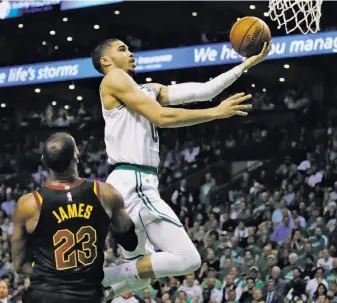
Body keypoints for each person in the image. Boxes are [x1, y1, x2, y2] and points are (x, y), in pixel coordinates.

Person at [91, 38, 271, 298]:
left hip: (133, 182)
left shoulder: (147, 90)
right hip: (134, 182)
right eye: (122, 49)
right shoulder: (114, 78)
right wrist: (216, 113)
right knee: (188, 259)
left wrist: (246, 64)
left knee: (140, 277)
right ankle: (103, 278)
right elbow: (162, 117)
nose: (130, 53)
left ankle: (100, 292)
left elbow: (206, 90)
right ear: (105, 61)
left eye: (129, 48)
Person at [11, 133, 137, 303]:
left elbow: (19, 265)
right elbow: (130, 241)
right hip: (88, 295)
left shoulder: (29, 204)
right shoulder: (105, 193)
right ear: (76, 156)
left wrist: (51, 275)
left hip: (44, 295)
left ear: (44, 160)